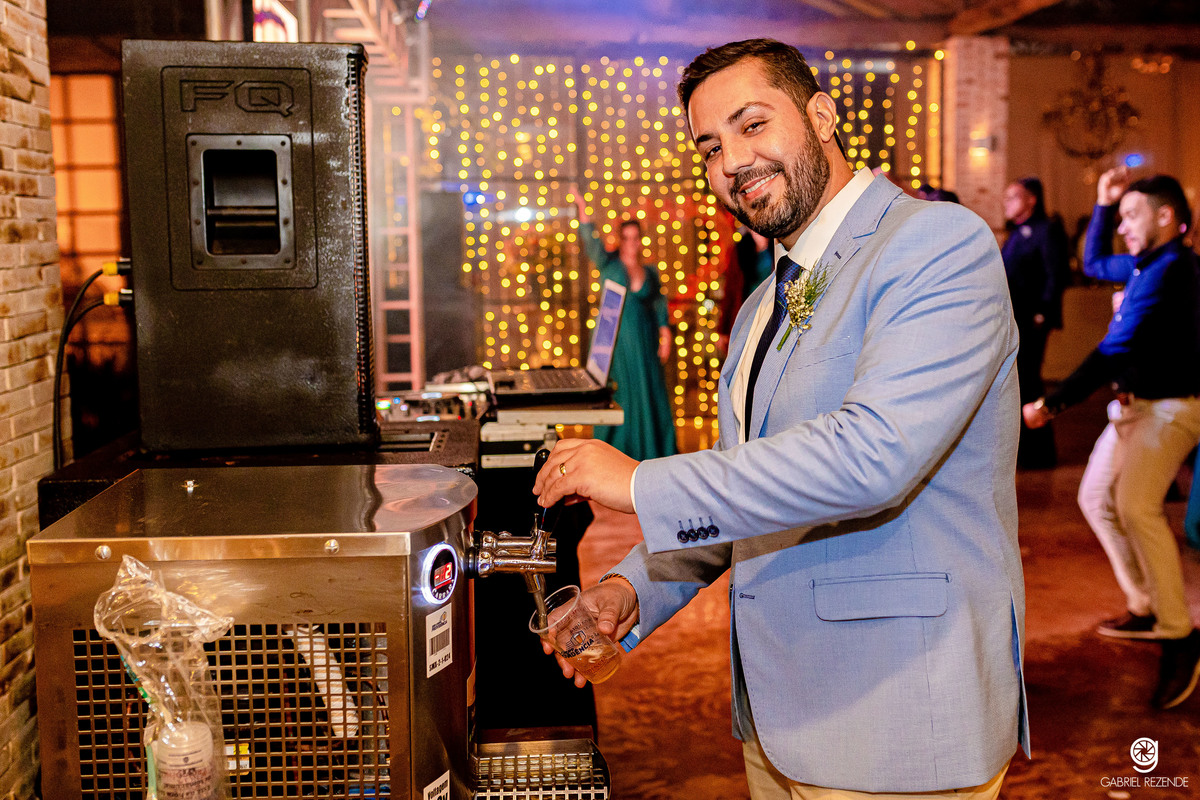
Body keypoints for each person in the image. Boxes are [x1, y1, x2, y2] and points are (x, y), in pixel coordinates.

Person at [536, 39, 1027, 799]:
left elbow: (873, 457)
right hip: (777, 716)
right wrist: (632, 589)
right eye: (710, 147)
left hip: (896, 712)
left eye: (753, 124)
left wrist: (639, 483)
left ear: (821, 116)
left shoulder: (935, 243)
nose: (733, 160)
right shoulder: (763, 303)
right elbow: (748, 494)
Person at [1022, 168, 1200, 709]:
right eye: (1119, 219)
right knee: (1096, 497)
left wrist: (1051, 404)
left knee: (1136, 506)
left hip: (1172, 408)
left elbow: (1113, 350)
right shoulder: (1145, 263)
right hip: (1134, 408)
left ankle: (1180, 636)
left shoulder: (1174, 269)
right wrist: (1102, 204)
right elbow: (1095, 263)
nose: (1122, 228)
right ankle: (1144, 605)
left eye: (1130, 216)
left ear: (1166, 216)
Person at [573, 187, 677, 461]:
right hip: (615, 344)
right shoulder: (608, 265)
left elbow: (659, 304)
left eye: (635, 237)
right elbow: (591, 241)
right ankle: (615, 456)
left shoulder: (650, 272)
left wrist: (665, 334)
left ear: (641, 240)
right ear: (620, 240)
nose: (631, 242)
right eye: (626, 237)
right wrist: (582, 208)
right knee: (621, 396)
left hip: (644, 342)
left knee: (648, 393)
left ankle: (651, 453)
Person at [1002, 177, 1070, 469]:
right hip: (1017, 317)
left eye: (1013, 197)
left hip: (1033, 319)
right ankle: (1025, 452)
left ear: (1031, 200)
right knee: (1020, 381)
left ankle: (1039, 454)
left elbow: (1056, 273)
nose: (1006, 203)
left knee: (1029, 381)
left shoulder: (1046, 229)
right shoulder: (1017, 232)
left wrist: (1043, 312)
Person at [717, 224, 773, 355]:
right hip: (747, 311)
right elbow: (730, 290)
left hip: (770, 311)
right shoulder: (740, 249)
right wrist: (723, 329)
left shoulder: (778, 247)